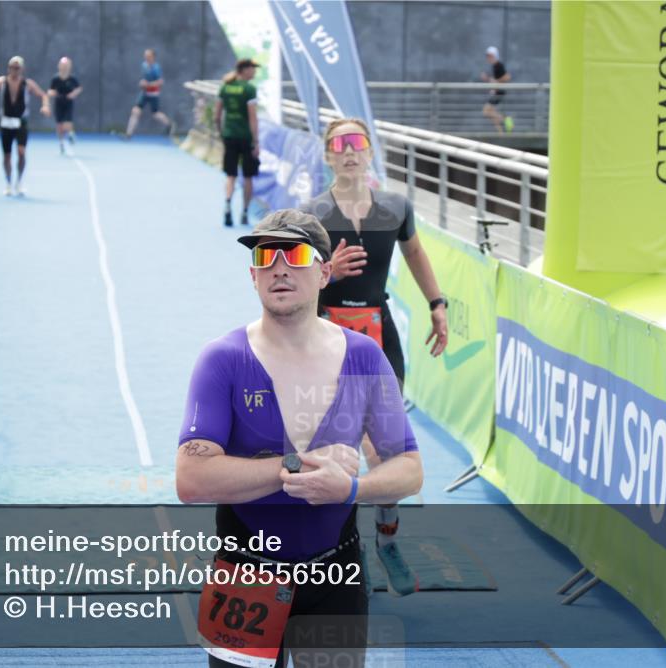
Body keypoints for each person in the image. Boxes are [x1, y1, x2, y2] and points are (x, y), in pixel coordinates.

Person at [177, 209, 422, 668]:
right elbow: (191, 478)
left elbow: (409, 469)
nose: (279, 268)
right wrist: (295, 467)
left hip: (337, 574)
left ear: (325, 271)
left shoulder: (365, 358)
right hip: (245, 575)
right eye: (266, 256)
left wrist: (352, 489)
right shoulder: (222, 360)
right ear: (253, 276)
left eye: (294, 254)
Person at [300, 117, 449, 597]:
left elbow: (416, 254)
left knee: (387, 453)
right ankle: (345, 551)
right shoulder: (311, 216)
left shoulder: (396, 208)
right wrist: (328, 271)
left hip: (379, 339)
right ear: (327, 155)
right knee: (337, 452)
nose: (349, 151)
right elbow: (291, 286)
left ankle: (386, 541)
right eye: (339, 144)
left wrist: (437, 304)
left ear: (370, 152)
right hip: (325, 339)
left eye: (357, 143)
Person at [0, 56, 51, 196]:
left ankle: (19, 181)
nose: (14, 70)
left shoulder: (27, 84)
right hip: (6, 122)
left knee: (21, 152)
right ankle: (8, 182)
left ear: (22, 69)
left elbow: (43, 95)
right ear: (8, 68)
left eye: (17, 68)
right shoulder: (2, 82)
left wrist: (46, 106)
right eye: (11, 67)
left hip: (21, 122)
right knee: (7, 156)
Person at [214, 58, 260, 227]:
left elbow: (217, 116)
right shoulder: (249, 89)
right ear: (244, 69)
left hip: (229, 136)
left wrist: (221, 134)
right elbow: (252, 117)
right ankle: (245, 212)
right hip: (246, 138)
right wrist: (256, 141)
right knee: (248, 177)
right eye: (252, 68)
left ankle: (227, 204)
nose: (254, 71)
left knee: (230, 175)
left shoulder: (225, 87)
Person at [122, 48, 172, 138]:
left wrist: (148, 85)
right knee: (135, 111)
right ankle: (128, 134)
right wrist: (142, 83)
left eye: (149, 56)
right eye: (145, 56)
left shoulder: (156, 68)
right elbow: (145, 79)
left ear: (153, 57)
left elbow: (160, 82)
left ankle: (169, 124)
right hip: (144, 93)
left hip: (153, 94)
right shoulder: (144, 65)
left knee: (156, 114)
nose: (146, 57)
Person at [48, 57, 82, 155]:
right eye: (63, 66)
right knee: (59, 125)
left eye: (66, 66)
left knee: (67, 123)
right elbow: (50, 90)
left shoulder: (72, 79)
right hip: (59, 103)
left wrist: (73, 94)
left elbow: (79, 88)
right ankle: (61, 143)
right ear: (59, 66)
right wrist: (53, 93)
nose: (64, 68)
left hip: (68, 102)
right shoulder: (55, 79)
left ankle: (71, 134)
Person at [481, 46, 513, 134]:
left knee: (486, 112)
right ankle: (500, 133)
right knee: (492, 113)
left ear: (494, 56)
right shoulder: (495, 66)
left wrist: (496, 82)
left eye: (489, 56)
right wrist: (488, 79)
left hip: (499, 92)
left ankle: (506, 120)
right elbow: (494, 80)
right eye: (487, 56)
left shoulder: (498, 65)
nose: (488, 58)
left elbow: (507, 77)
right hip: (497, 92)